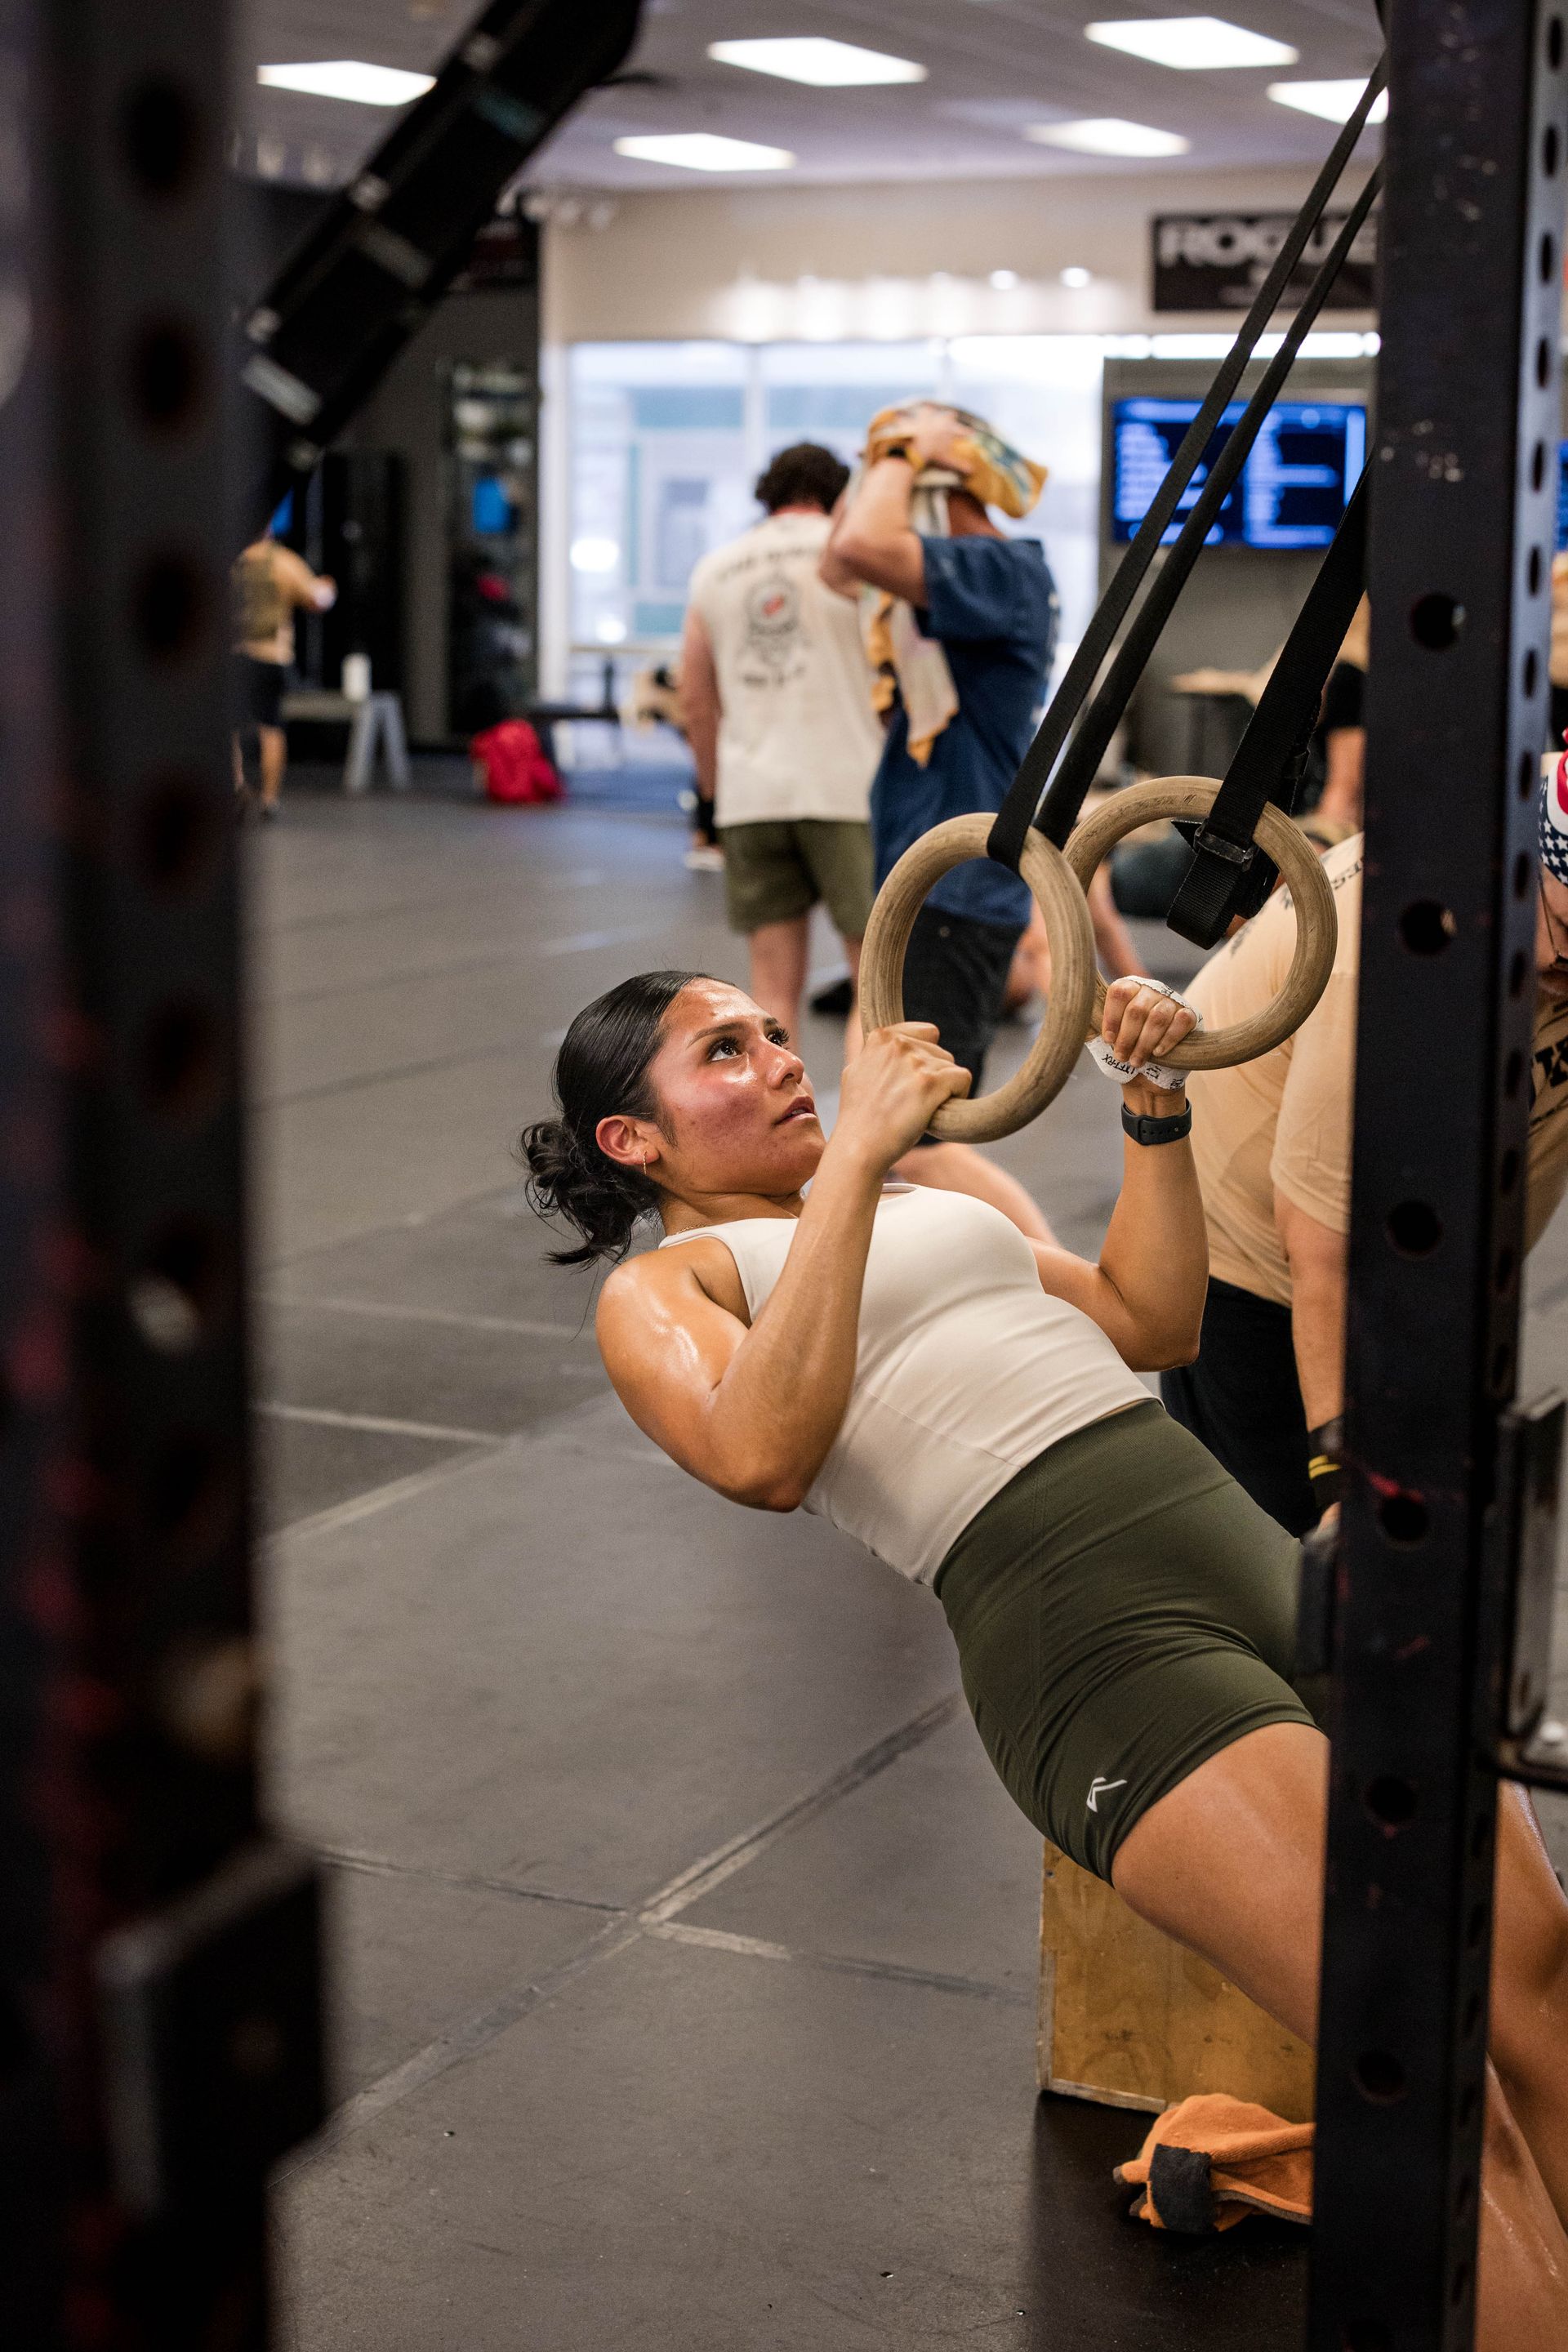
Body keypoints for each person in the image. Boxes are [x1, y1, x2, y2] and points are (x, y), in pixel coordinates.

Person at [521, 968, 1568, 2348]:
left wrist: (1155, 1106)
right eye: (727, 1049)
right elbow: (761, 1455)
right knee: (1420, 2046)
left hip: (1234, 1546)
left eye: (778, 1032)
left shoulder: (927, 1191)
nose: (782, 1058)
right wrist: (854, 1173)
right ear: (632, 1142)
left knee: (1537, 1979)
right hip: (1089, 1636)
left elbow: (1149, 1320)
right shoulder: (670, 1284)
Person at [1162, 779, 1568, 1537]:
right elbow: (1319, 1251)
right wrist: (1335, 1475)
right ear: (1513, 868)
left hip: (1426, 1266)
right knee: (1297, 1577)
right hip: (1259, 1282)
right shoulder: (1385, 970)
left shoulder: (1548, 858)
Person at [822, 402, 1058, 1239]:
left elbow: (857, 547)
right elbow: (836, 566)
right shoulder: (954, 579)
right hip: (918, 882)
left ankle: (1088, 1298)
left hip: (957, 893)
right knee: (869, 1123)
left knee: (911, 1144)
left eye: (902, 467)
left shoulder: (1001, 571)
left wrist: (908, 456)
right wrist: (887, 460)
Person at [680, 443, 882, 1049]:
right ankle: (861, 1141)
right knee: (874, 985)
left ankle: (779, 1140)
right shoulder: (856, 553)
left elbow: (695, 697)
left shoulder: (715, 568)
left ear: (768, 493)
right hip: (848, 788)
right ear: (834, 491)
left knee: (769, 996)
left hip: (752, 795)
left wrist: (713, 798)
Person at [231, 522, 336, 820]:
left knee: (231, 729)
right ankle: (269, 799)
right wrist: (328, 587)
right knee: (271, 727)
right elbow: (317, 600)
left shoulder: (231, 560)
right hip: (270, 654)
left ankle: (235, 786)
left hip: (234, 654)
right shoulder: (282, 561)